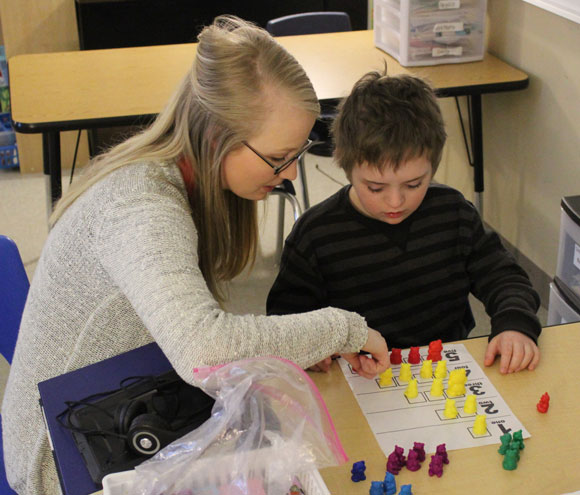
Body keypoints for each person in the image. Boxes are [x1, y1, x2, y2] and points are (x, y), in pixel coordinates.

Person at [1, 17, 389, 495]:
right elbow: (202, 350)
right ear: (216, 137)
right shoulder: (141, 206)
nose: (289, 174)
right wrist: (340, 328)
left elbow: (192, 333)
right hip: (65, 457)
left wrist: (285, 350)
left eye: (299, 152)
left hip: (125, 403)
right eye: (277, 157)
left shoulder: (185, 179)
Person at [267, 69, 541, 375]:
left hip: (440, 369)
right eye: (375, 187)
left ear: (432, 166)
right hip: (356, 378)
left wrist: (515, 325)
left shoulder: (453, 213)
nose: (396, 202)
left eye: (413, 185)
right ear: (347, 168)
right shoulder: (316, 235)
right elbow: (286, 318)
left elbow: (503, 276)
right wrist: (309, 348)